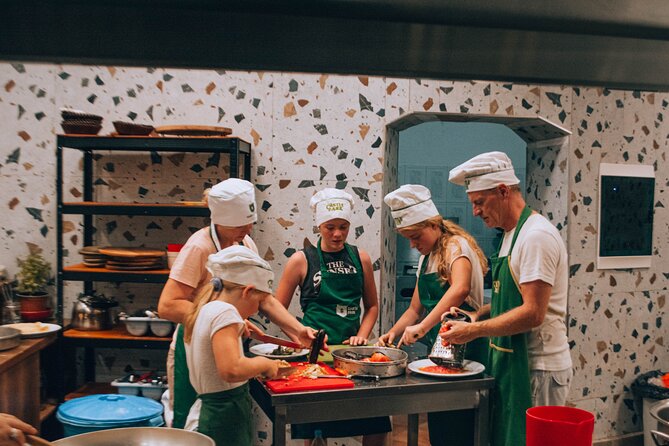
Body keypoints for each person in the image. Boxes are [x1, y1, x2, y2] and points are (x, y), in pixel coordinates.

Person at [158, 178, 315, 430]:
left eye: (250, 223)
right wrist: (222, 320)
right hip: (193, 348)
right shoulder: (199, 247)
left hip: (227, 340)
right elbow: (167, 305)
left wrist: (298, 331)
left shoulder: (244, 243)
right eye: (241, 225)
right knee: (189, 426)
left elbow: (263, 296)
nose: (248, 230)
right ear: (220, 220)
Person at [442, 151, 572, 446]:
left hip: (538, 368)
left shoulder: (536, 237)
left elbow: (532, 313)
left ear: (502, 191)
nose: (475, 211)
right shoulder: (510, 235)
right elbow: (509, 300)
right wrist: (478, 315)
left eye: (479, 202)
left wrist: (472, 332)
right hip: (514, 364)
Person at [275, 188, 390, 446]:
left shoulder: (361, 258)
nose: (337, 234)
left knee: (375, 421)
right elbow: (277, 310)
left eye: (343, 227)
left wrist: (362, 336)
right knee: (315, 427)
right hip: (316, 358)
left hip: (354, 357)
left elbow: (371, 306)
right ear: (319, 226)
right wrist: (300, 339)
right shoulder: (301, 260)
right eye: (330, 227)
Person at [379, 184, 489, 446]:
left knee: (460, 432)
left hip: (468, 352)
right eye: (408, 239)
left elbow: (460, 289)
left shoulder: (455, 246)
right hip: (440, 355)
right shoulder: (426, 258)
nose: (413, 244)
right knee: (441, 431)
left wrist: (423, 327)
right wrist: (392, 333)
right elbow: (414, 309)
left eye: (416, 236)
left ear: (433, 224)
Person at [183, 245, 284, 446]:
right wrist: (265, 364)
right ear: (248, 291)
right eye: (260, 302)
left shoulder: (208, 308)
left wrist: (235, 324)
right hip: (222, 418)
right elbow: (231, 369)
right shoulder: (225, 313)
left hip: (211, 413)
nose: (257, 311)